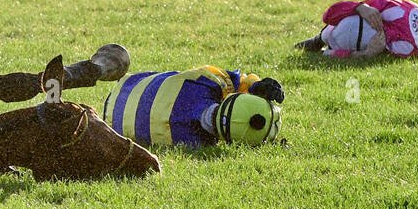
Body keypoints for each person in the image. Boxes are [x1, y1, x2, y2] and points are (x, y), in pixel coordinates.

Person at [101, 65, 284, 149]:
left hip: (126, 87)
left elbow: (235, 81)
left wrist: (255, 85)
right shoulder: (195, 145)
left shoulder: (208, 83)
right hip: (111, 124)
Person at [295, 0, 418, 59]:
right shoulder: (382, 7)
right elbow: (329, 15)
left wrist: (365, 55)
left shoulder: (401, 46)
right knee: (333, 33)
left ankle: (323, 45)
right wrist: (360, 6)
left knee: (337, 37)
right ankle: (320, 40)